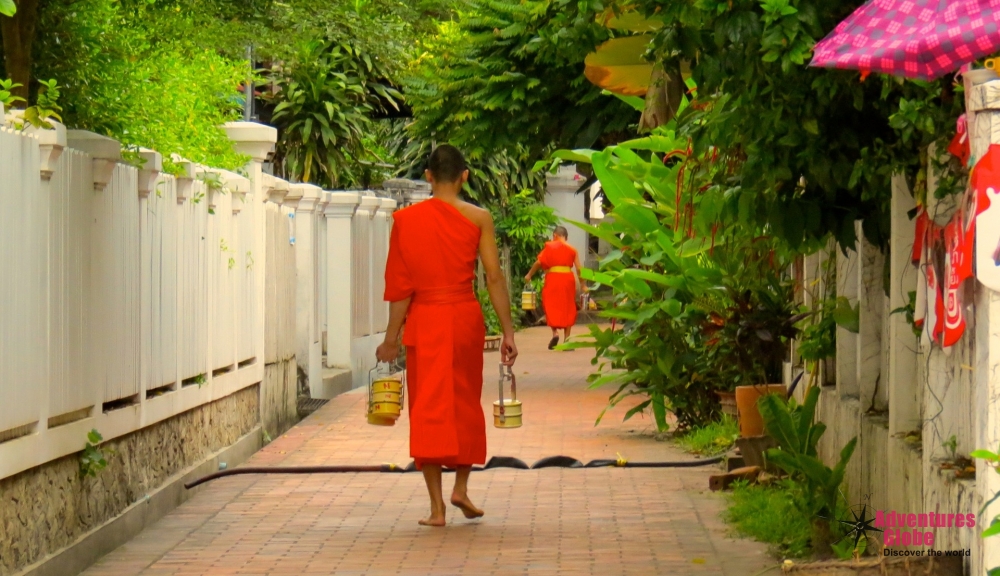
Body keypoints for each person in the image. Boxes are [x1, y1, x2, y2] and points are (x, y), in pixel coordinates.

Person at [375, 144, 518, 527]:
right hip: (462, 318)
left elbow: (401, 287)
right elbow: (493, 276)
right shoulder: (479, 217)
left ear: (427, 176)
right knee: (464, 401)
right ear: (465, 176)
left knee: (428, 408)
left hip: (424, 321)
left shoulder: (406, 221)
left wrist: (391, 338)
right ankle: (462, 488)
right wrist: (508, 330)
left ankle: (437, 508)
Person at [524, 226, 587, 350]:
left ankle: (555, 333)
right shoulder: (572, 249)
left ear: (554, 235)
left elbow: (538, 262)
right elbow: (579, 269)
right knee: (568, 306)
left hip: (553, 278)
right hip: (567, 279)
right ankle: (567, 340)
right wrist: (583, 284)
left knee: (550, 305)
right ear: (566, 237)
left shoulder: (550, 247)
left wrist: (529, 274)